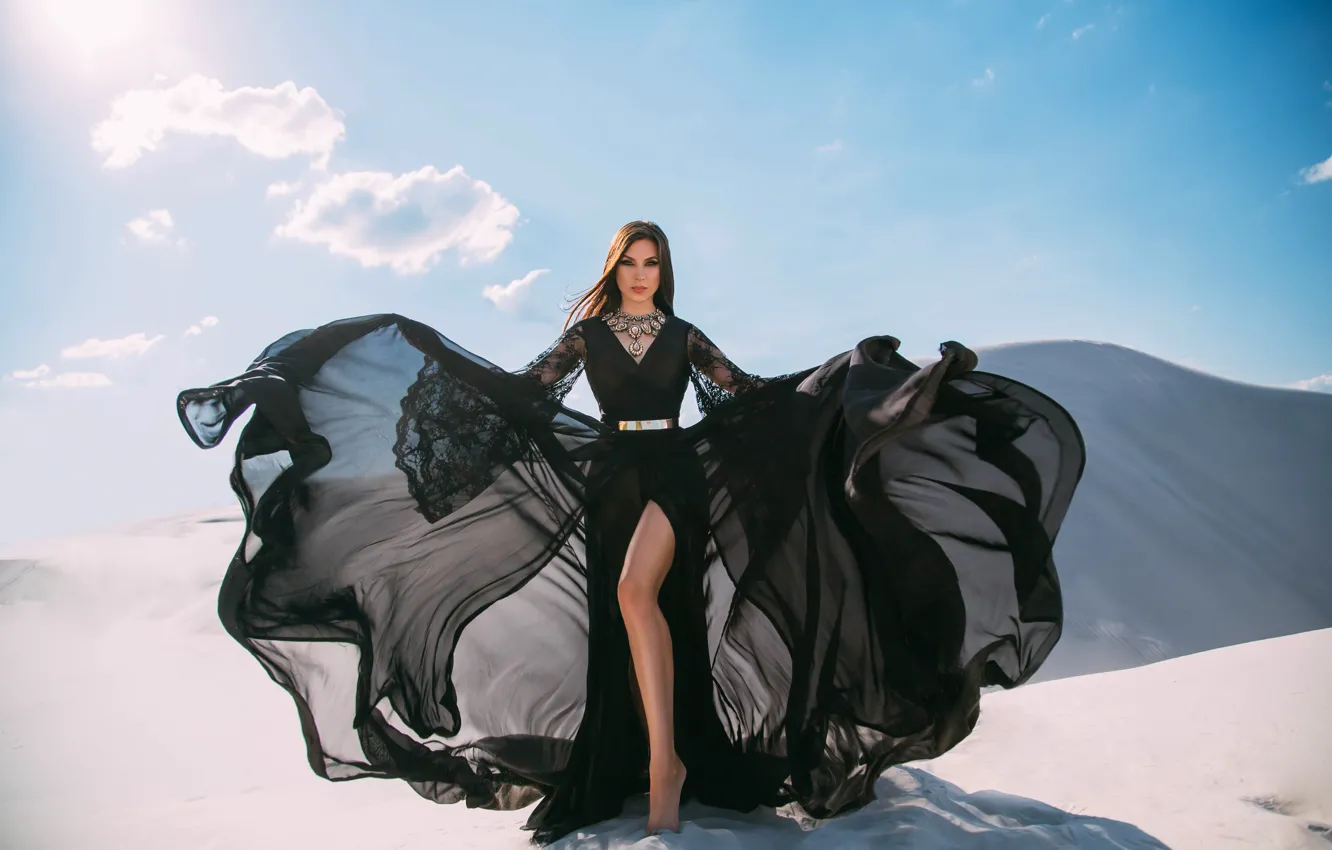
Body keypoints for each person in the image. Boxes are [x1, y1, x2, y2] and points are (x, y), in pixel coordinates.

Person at [177, 220, 1085, 844]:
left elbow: (745, 395)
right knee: (624, 617)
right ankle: (647, 756)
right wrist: (438, 363)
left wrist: (848, 379)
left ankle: (665, 771)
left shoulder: (685, 337)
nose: (642, 275)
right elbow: (527, 394)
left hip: (674, 475)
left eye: (654, 263)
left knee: (632, 595)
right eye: (632, 263)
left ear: (665, 272)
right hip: (610, 477)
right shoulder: (587, 338)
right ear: (614, 268)